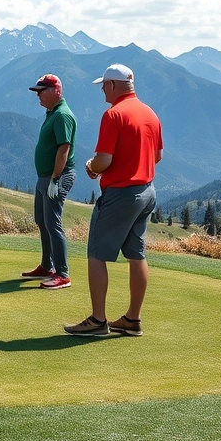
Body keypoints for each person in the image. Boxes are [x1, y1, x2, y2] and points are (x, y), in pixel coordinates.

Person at [65, 63, 162, 337]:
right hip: (147, 192)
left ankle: (98, 320)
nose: (102, 91)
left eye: (103, 86)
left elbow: (104, 160)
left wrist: (92, 167)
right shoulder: (150, 114)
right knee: (136, 253)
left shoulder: (113, 114)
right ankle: (132, 319)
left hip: (121, 194)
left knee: (96, 253)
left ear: (112, 85)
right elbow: (157, 157)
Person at [21, 74, 76, 290]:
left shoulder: (62, 115)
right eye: (38, 92)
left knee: (53, 223)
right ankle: (47, 265)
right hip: (46, 177)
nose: (39, 96)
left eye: (42, 91)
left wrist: (55, 178)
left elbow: (64, 148)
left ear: (56, 91)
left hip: (57, 177)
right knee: (42, 221)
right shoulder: (52, 113)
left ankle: (62, 274)